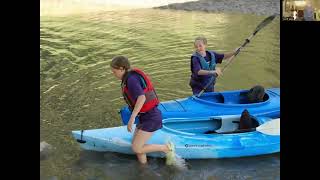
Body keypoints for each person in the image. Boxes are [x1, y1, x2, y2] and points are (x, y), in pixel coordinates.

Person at [110, 55, 176, 165]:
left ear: (122, 68)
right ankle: (143, 168)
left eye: (114, 72)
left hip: (151, 117)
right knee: (136, 145)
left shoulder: (131, 79)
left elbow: (142, 98)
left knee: (136, 148)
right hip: (145, 116)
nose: (113, 74)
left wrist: (132, 118)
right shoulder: (129, 78)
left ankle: (166, 148)